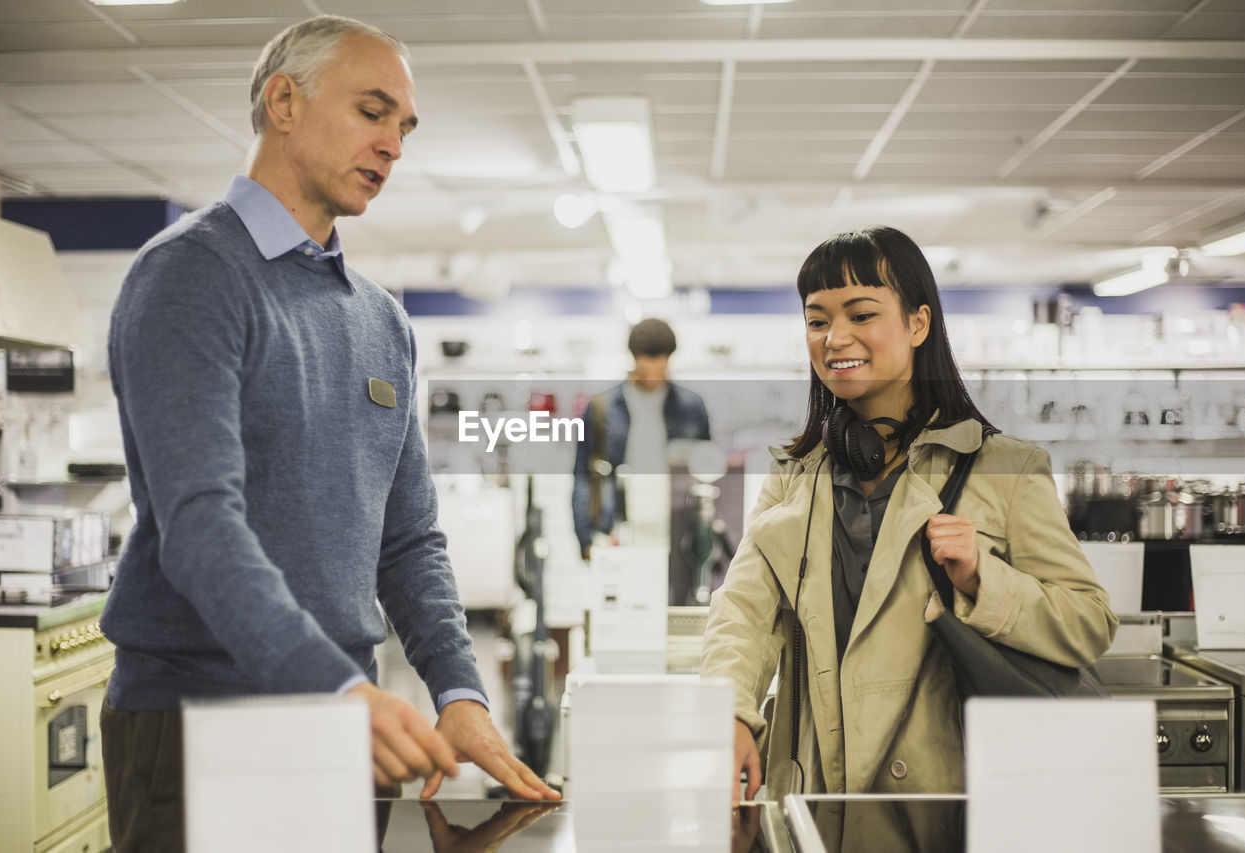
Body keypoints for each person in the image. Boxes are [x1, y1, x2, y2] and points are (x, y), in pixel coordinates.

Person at [100, 15, 557, 851]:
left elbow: (408, 538)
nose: (393, 145)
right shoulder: (191, 275)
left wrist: (459, 691)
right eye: (372, 112)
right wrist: (341, 693)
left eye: (404, 127)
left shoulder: (381, 319)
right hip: (203, 720)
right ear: (283, 102)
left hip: (344, 723)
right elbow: (200, 527)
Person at [699, 226, 1117, 801]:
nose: (834, 338)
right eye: (817, 321)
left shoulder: (1006, 468)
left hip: (940, 805)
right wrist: (730, 711)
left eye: (861, 315)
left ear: (918, 324)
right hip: (815, 797)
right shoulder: (795, 476)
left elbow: (1088, 623)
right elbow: (743, 611)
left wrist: (980, 580)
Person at [571, 318, 711, 561]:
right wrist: (585, 537)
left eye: (661, 366)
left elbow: (707, 471)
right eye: (646, 367)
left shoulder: (691, 407)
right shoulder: (601, 408)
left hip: (676, 528)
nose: (654, 376)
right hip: (618, 527)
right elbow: (583, 475)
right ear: (634, 359)